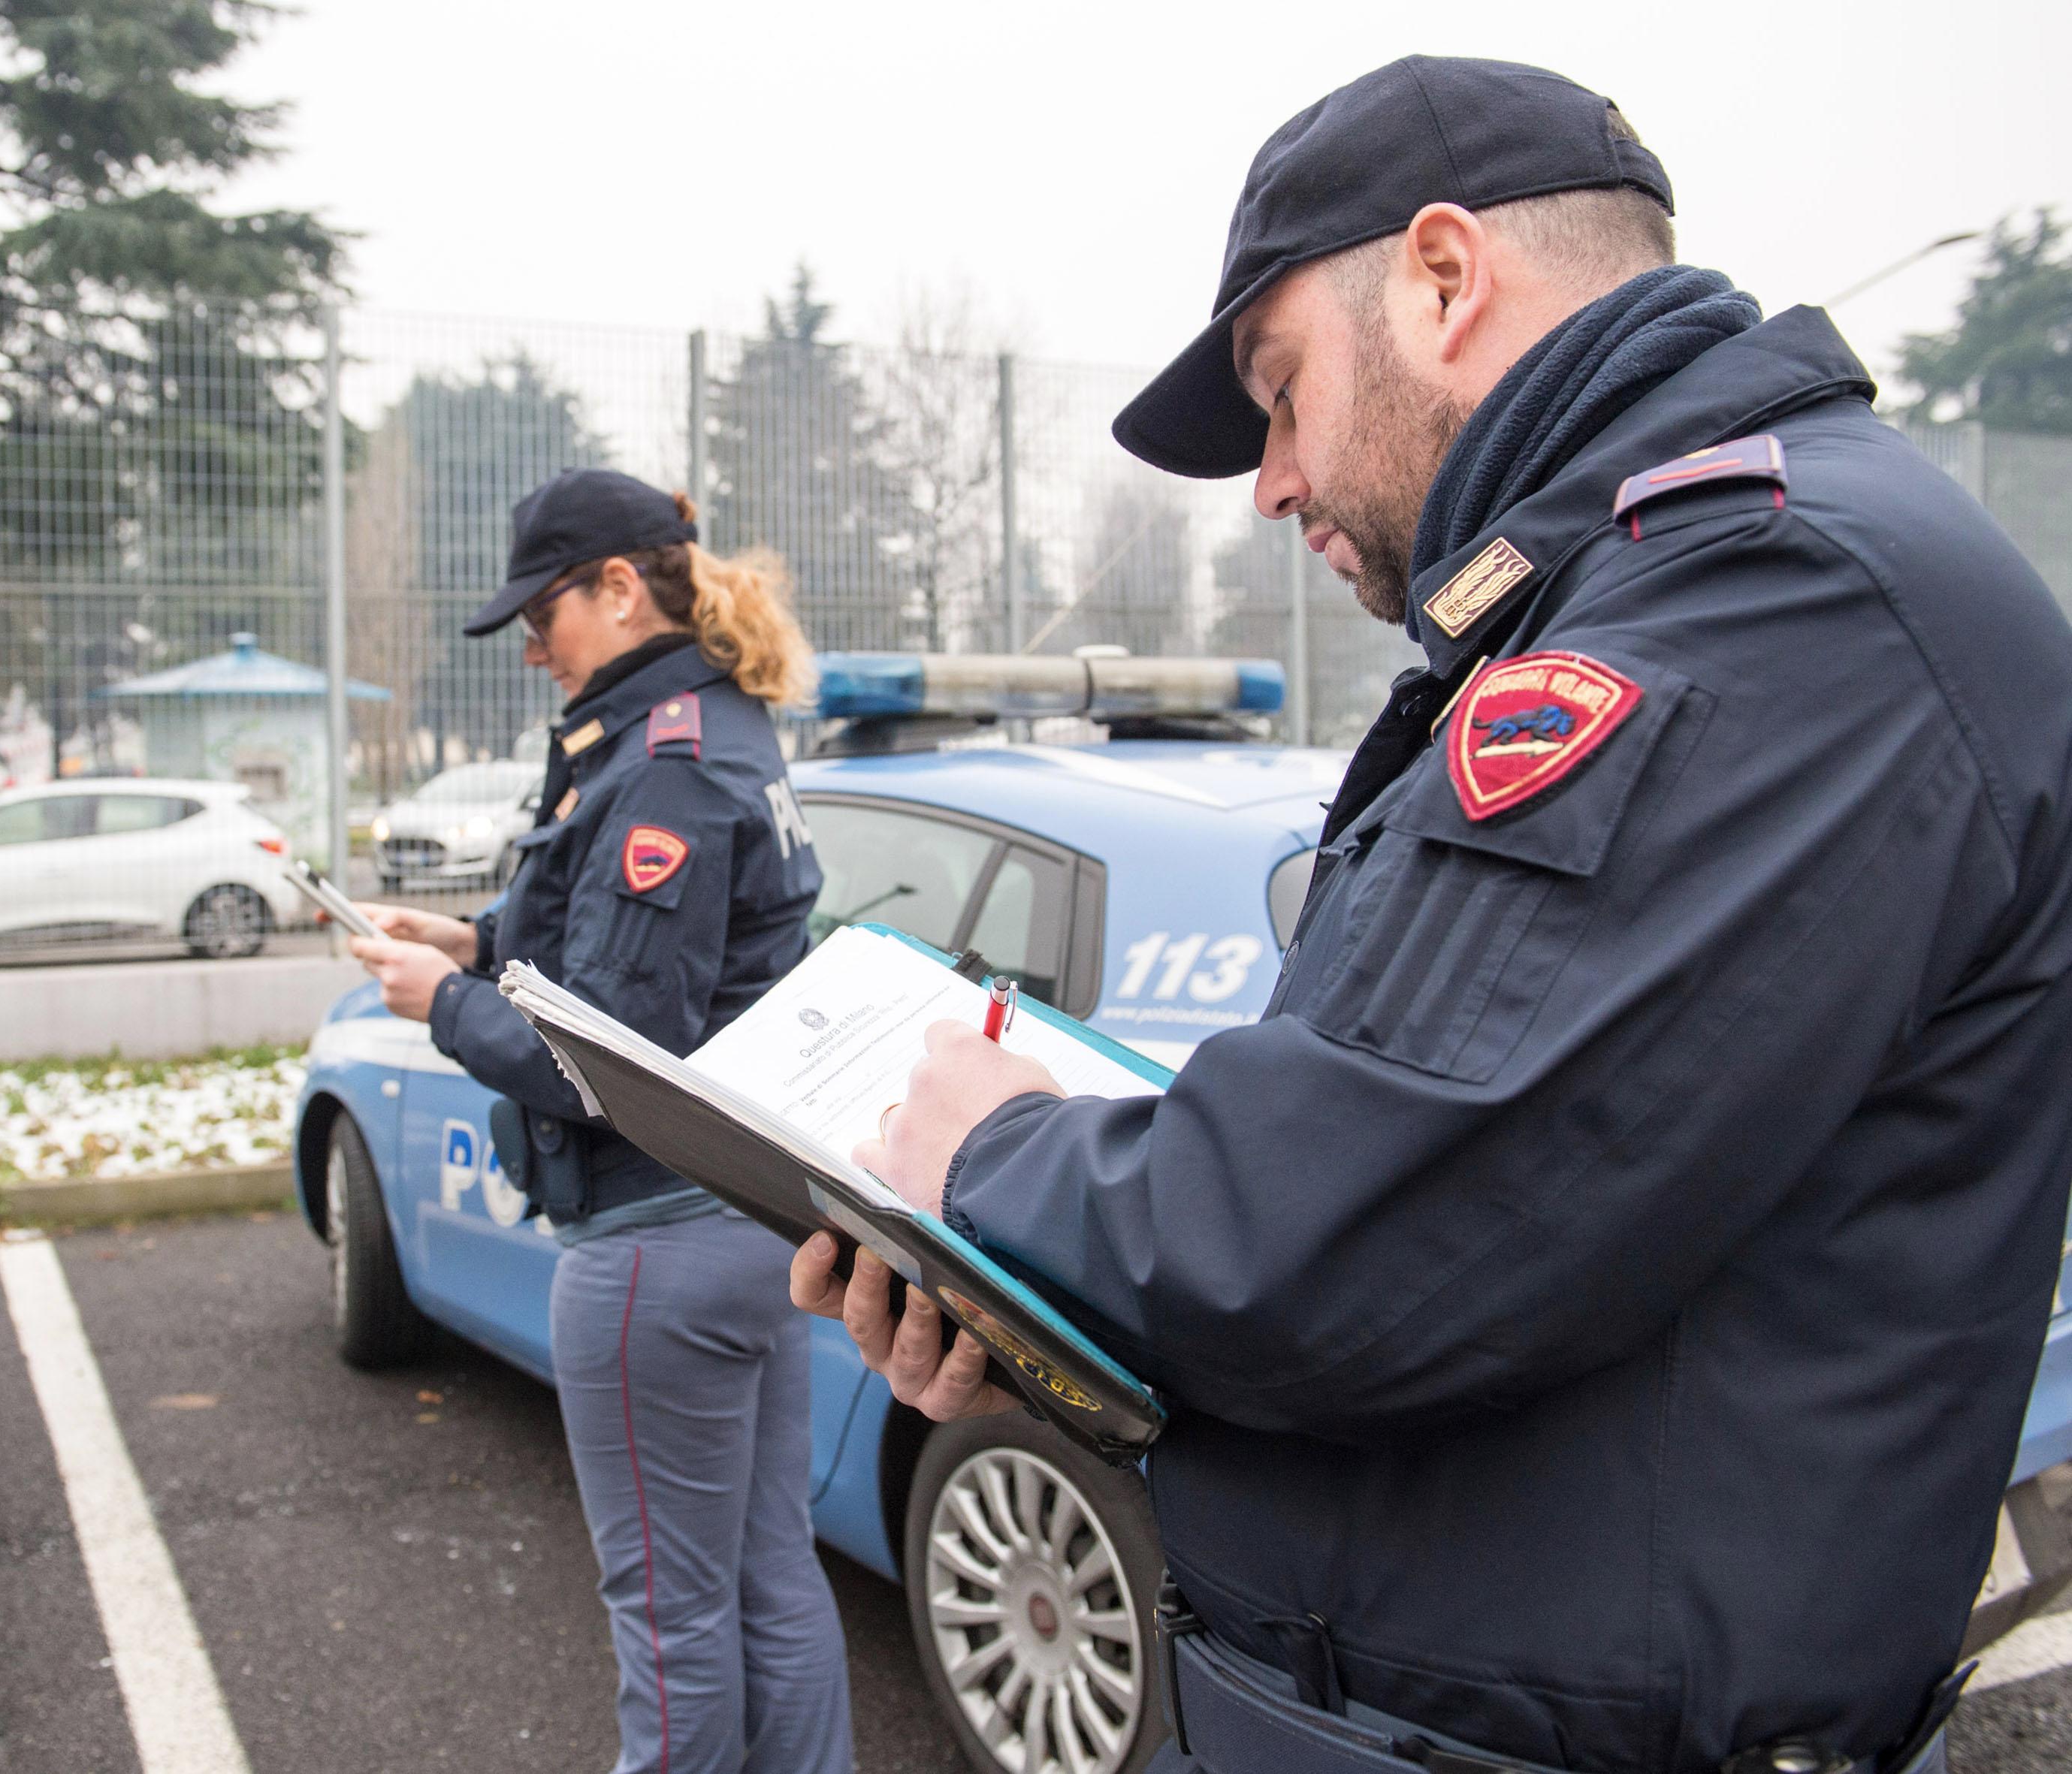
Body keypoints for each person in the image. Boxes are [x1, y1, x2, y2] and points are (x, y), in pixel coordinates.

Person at [792, 56, 2072, 1774]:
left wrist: (991, 1160)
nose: (1266, 479)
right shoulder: (1638, 595)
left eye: (1277, 386)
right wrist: (1044, 1324)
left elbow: (1365, 1234)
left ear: (1444, 277)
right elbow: (1462, 1230)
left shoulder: (1770, 596)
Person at [349, 466, 851, 1774]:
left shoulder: (663, 763)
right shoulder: (707, 728)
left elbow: (612, 1061)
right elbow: (621, 953)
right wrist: (465, 936)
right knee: (767, 1581)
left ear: (621, 589)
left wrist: (442, 1001)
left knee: (675, 1614)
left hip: (654, 1245)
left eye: (546, 609)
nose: (530, 640)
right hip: (753, 1226)